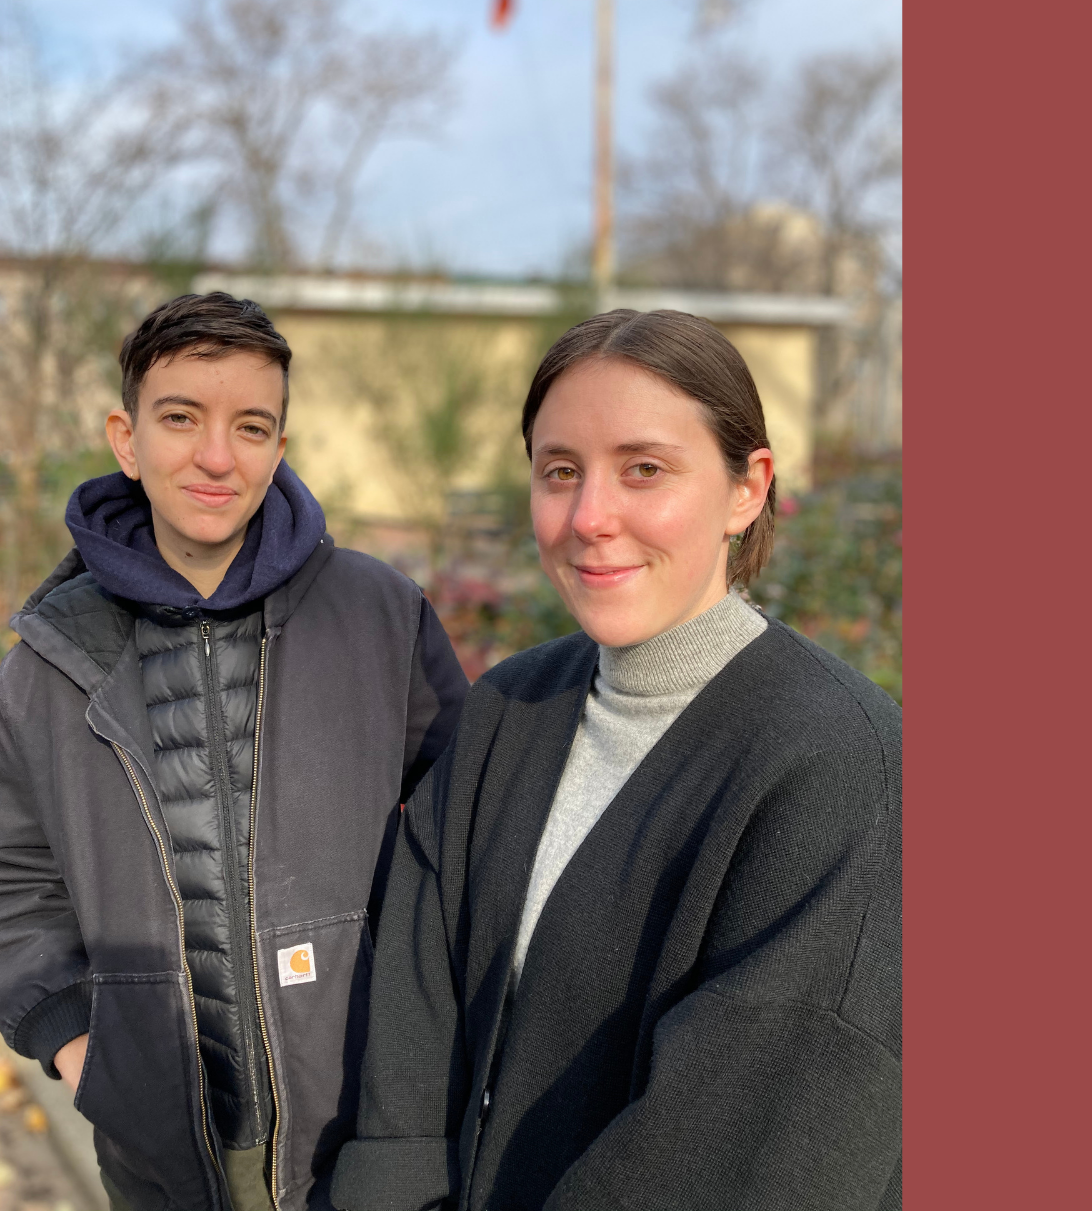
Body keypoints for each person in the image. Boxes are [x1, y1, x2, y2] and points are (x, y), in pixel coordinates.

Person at [330, 310, 903, 1211]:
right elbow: (414, 1004)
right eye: (561, 472)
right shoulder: (509, 712)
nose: (590, 518)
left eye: (644, 469)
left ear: (748, 489)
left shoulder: (841, 769)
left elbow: (740, 1151)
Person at [0, 292, 470, 1211]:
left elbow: (464, 838)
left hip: (365, 1130)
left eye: (251, 425)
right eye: (181, 417)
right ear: (127, 437)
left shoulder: (381, 618)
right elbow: (8, 872)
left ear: (279, 446)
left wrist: (419, 1040)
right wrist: (81, 1045)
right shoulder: (48, 663)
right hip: (160, 1149)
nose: (215, 456)